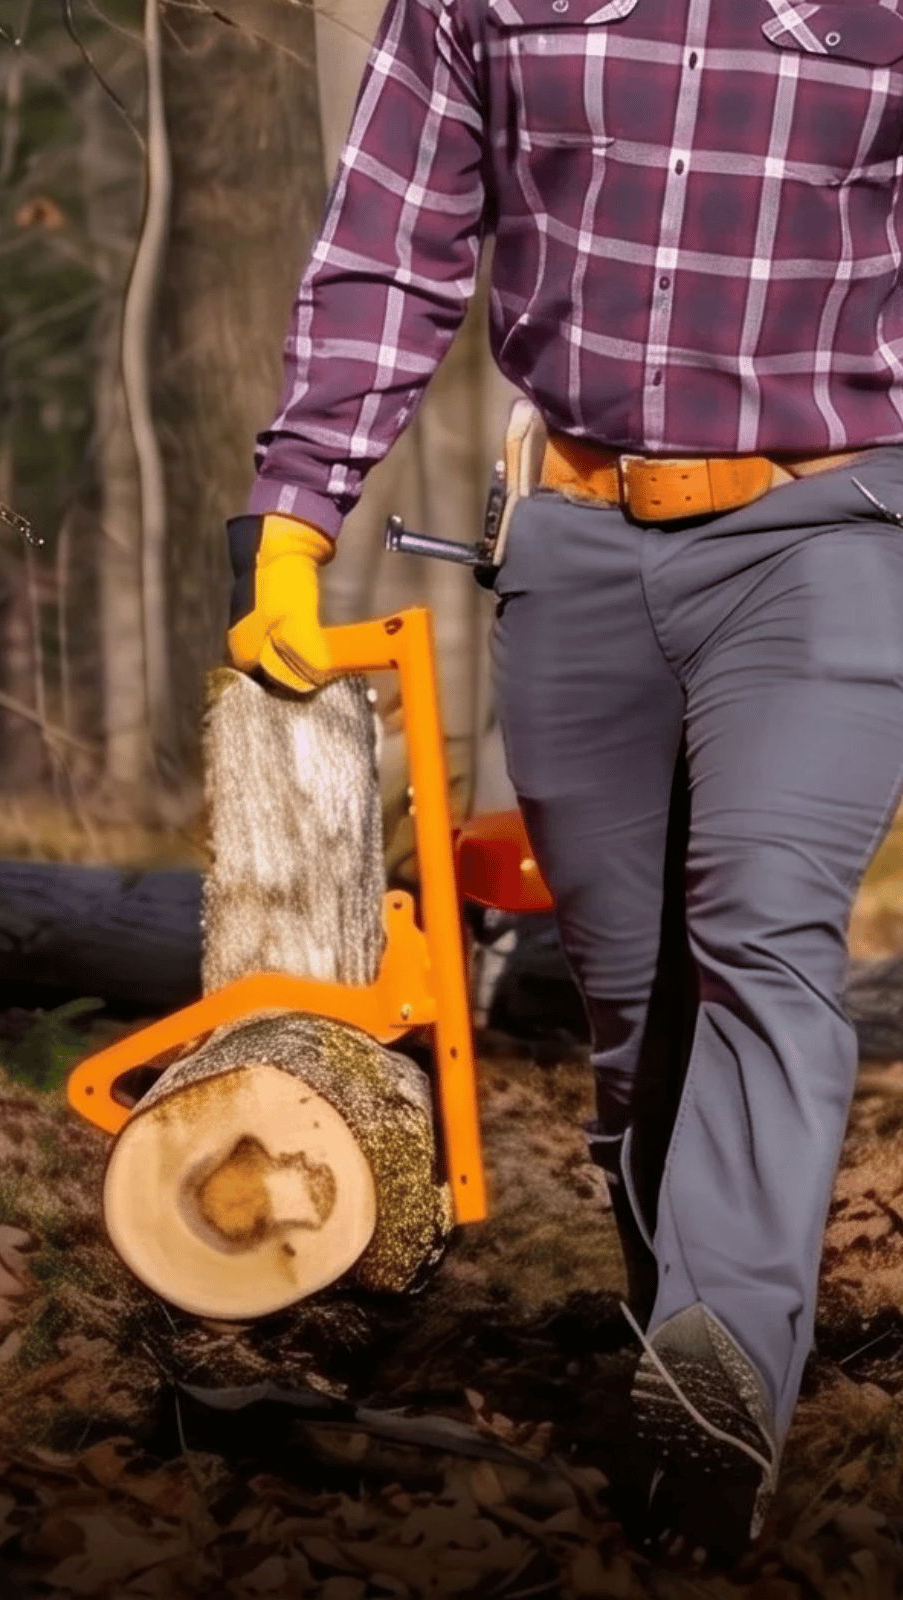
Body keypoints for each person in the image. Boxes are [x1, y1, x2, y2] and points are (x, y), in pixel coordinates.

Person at [224, 0, 903, 1568]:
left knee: (766, 930)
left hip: (833, 530)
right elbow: (394, 238)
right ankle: (676, 1295)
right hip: (574, 538)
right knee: (632, 987)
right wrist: (294, 514)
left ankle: (720, 1374)